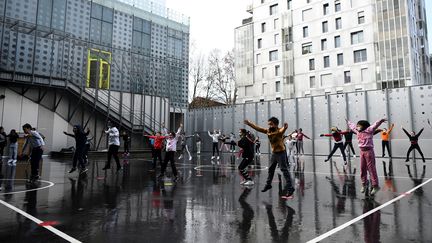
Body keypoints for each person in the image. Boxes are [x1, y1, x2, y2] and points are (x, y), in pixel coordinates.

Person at [244, 117, 295, 198]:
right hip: (274, 153)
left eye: (271, 124)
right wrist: (249, 123)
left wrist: (285, 128)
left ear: (275, 124)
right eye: (269, 124)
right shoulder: (268, 131)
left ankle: (290, 188)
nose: (269, 126)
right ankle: (268, 184)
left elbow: (282, 131)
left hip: (281, 153)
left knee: (284, 170)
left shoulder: (279, 131)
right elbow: (258, 128)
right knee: (271, 169)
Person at [347, 118, 386, 196]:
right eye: (357, 126)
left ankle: (375, 186)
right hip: (362, 152)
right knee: (362, 168)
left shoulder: (369, 130)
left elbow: (375, 125)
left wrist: (381, 121)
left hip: (369, 152)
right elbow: (352, 126)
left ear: (363, 126)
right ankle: (364, 184)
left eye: (359, 126)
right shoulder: (357, 131)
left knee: (371, 169)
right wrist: (348, 121)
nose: (357, 127)